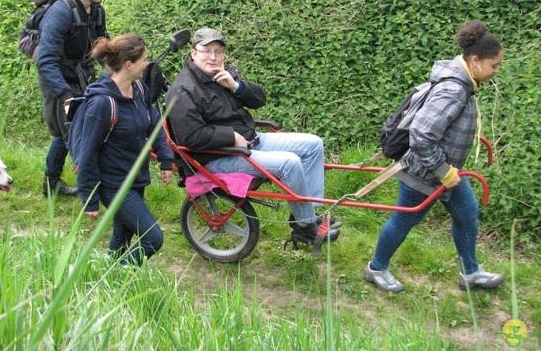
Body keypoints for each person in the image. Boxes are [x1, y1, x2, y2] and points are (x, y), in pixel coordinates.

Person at [364, 20, 505, 293]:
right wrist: (443, 171)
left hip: (444, 171)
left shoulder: (464, 82)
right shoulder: (453, 89)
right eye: (494, 66)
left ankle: (470, 273)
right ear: (475, 61)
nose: (496, 71)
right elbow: (422, 134)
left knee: (467, 212)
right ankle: (376, 268)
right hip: (425, 173)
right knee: (404, 220)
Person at [165, 27, 340, 245]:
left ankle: (306, 215)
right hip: (218, 157)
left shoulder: (224, 74)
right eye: (206, 51)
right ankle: (306, 227)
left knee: (314, 144)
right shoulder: (183, 90)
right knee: (290, 163)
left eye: (218, 51)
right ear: (193, 53)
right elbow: (190, 137)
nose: (213, 57)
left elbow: (260, 100)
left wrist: (236, 86)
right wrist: (230, 136)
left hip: (251, 141)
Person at [75, 34, 173, 264]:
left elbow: (154, 122)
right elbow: (87, 152)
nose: (147, 64)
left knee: (123, 234)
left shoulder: (139, 88)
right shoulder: (101, 104)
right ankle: (120, 272)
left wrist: (166, 159)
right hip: (114, 185)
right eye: (144, 60)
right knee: (152, 238)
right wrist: (89, 197)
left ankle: (112, 281)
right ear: (128, 64)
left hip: (136, 177)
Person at [37, 0, 109, 197]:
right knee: (73, 132)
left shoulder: (97, 11)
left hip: (81, 75)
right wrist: (66, 96)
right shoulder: (60, 12)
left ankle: (51, 182)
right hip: (57, 79)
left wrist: (116, 71)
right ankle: (91, 191)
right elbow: (46, 61)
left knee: (67, 132)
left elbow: (102, 47)